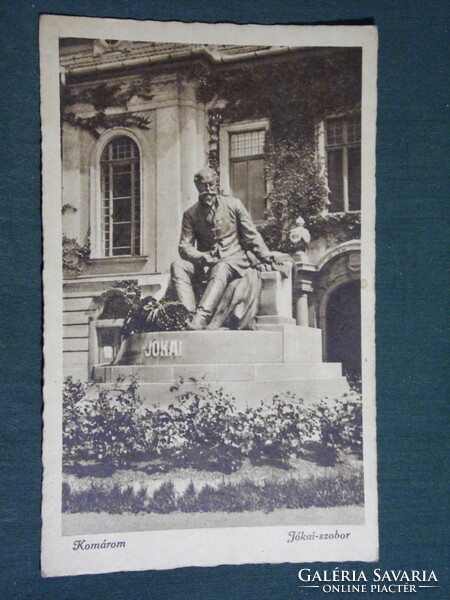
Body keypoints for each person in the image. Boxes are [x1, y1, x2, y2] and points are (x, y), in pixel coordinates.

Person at [170, 167, 281, 330]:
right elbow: (184, 246)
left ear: (217, 184)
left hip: (234, 261)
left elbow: (251, 235)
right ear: (197, 187)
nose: (208, 190)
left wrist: (265, 254)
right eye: (203, 187)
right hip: (206, 263)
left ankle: (201, 317)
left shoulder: (234, 205)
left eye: (211, 185)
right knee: (177, 265)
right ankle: (187, 315)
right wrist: (201, 257)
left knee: (221, 267)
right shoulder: (190, 214)